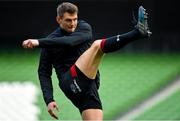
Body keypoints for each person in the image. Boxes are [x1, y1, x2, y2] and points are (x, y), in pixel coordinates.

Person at [22, 2, 151, 120]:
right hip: (70, 82)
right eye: (68, 20)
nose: (72, 23)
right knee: (97, 46)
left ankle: (139, 32)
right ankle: (138, 32)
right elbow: (44, 73)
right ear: (58, 19)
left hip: (89, 86)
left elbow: (69, 42)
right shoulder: (50, 42)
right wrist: (49, 100)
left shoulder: (83, 27)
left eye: (75, 19)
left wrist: (39, 42)